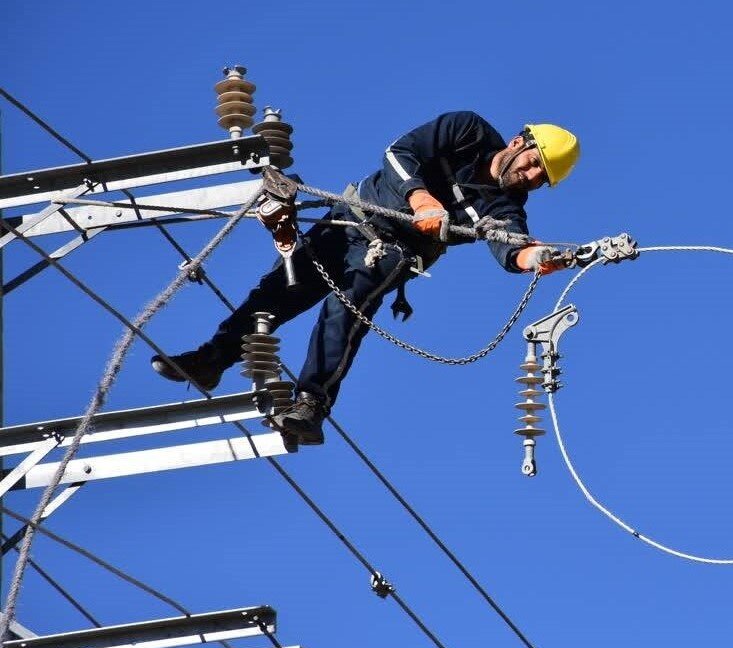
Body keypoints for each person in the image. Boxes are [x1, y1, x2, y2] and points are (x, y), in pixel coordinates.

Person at [151, 110, 579, 445]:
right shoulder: (466, 130)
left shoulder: (504, 206)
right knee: (277, 291)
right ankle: (212, 359)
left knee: (345, 309)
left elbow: (510, 245)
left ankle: (311, 406)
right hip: (349, 220)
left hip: (391, 252)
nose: (532, 177)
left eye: (543, 179)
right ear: (519, 142)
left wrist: (538, 257)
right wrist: (422, 199)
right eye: (534, 164)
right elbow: (399, 152)